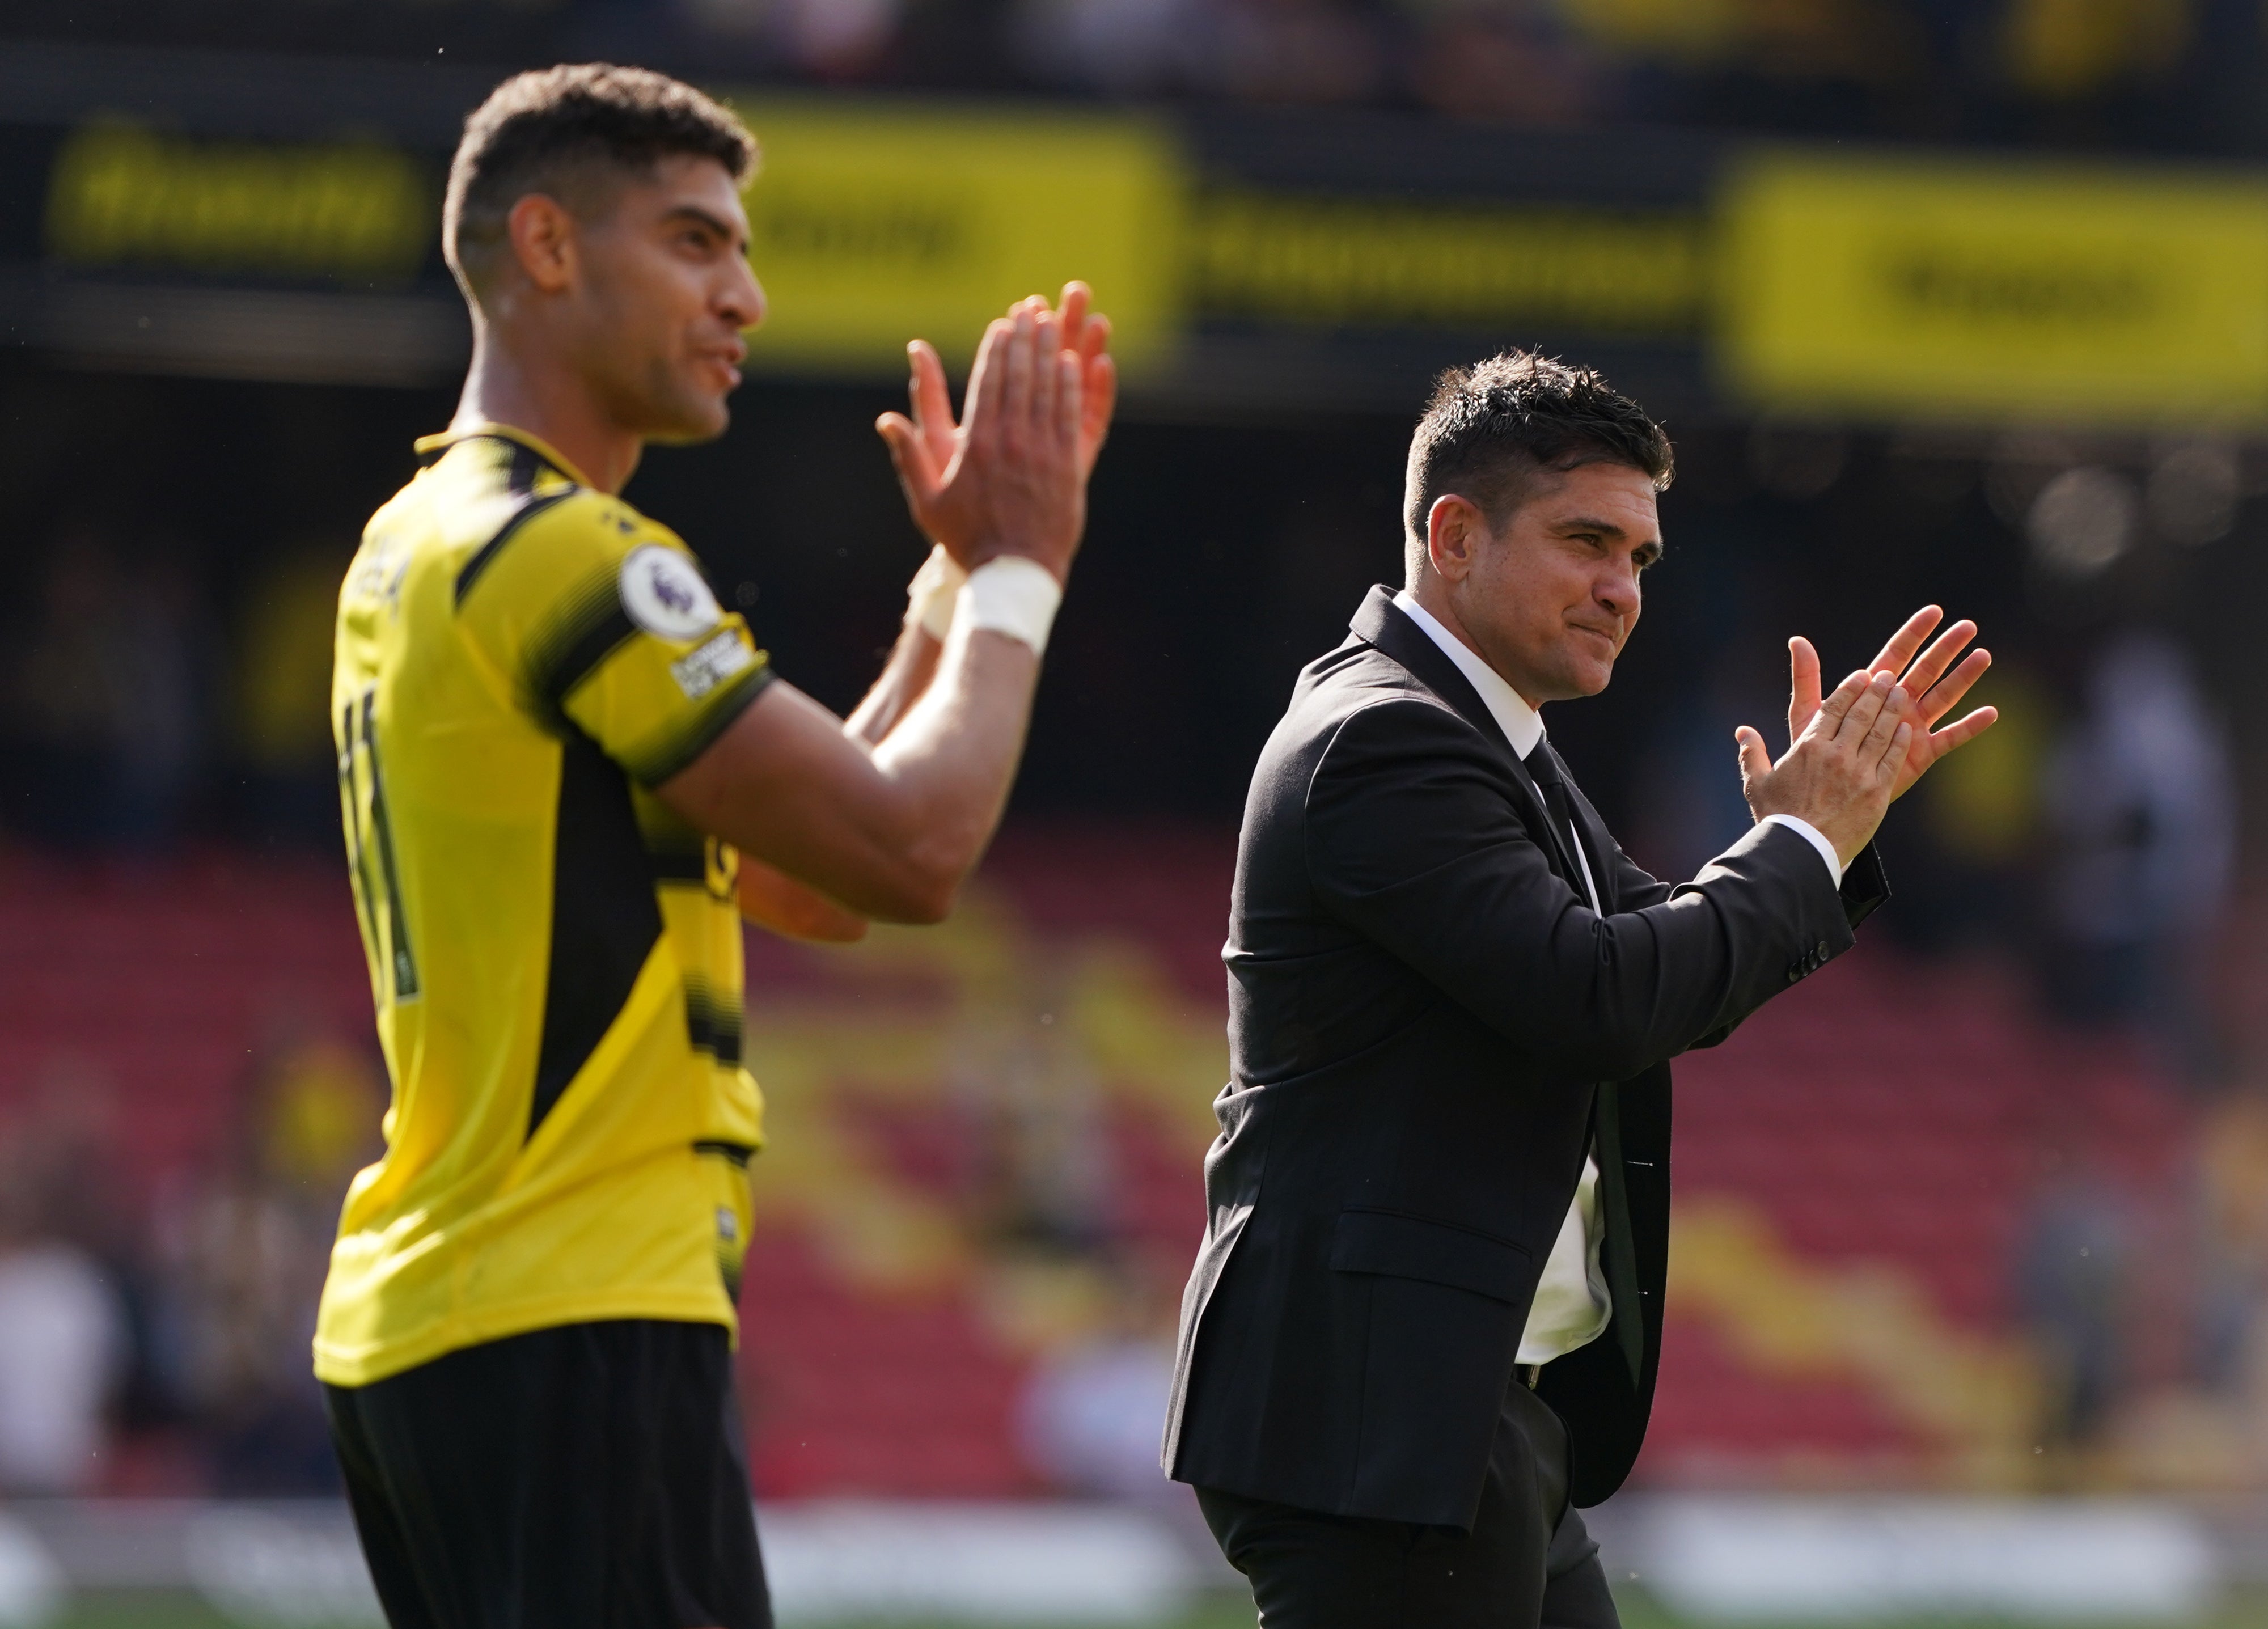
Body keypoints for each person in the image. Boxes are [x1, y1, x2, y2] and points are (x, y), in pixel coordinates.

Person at [314, 64, 1114, 1629]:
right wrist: (1027, 575)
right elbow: (912, 847)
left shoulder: (428, 542)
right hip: (571, 1314)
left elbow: (806, 869)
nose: (745, 295)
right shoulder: (570, 555)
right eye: (695, 242)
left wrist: (948, 590)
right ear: (546, 246)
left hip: (446, 1324)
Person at [1161, 352, 1995, 1627]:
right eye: (1585, 542)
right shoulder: (1385, 739)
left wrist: (1806, 834)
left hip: (1455, 1420)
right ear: (1451, 535)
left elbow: (1650, 955)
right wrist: (1798, 846)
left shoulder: (1478, 732)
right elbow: (1604, 1000)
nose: (1621, 590)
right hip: (1382, 1429)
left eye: (1640, 560)